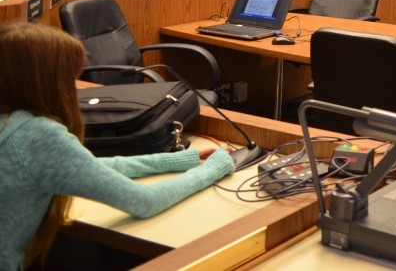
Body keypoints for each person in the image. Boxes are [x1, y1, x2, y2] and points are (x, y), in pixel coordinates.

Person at [0, 22, 234, 271]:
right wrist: (211, 171)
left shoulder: (14, 125)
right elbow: (143, 201)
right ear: (47, 82)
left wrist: (174, 160)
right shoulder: (38, 135)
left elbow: (84, 167)